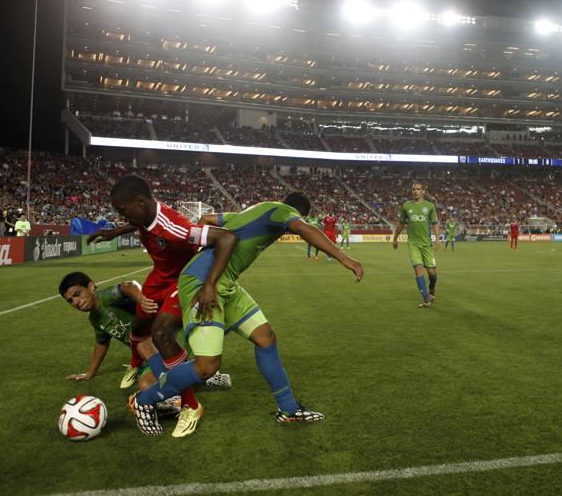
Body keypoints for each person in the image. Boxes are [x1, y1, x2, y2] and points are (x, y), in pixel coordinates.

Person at [128, 192, 364, 436]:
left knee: (265, 337)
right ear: (296, 212)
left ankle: (289, 409)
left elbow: (209, 219)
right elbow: (303, 228)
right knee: (206, 367)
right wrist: (345, 259)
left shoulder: (254, 212)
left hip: (225, 283)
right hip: (203, 284)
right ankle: (144, 400)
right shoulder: (281, 210)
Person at [87, 174, 238, 437]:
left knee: (161, 332)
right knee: (138, 327)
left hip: (183, 277)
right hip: (160, 275)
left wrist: (210, 284)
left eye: (123, 211)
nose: (123, 216)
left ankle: (191, 405)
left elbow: (226, 239)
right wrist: (114, 232)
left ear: (140, 202)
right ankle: (136, 363)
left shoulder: (175, 226)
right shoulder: (143, 215)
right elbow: (139, 225)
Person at [58, 271, 231, 394]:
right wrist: (90, 373)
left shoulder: (105, 297)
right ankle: (195, 375)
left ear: (90, 286)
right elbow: (101, 344)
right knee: (147, 385)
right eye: (70, 301)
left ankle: (200, 374)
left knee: (151, 385)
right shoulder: (94, 319)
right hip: (146, 355)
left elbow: (128, 286)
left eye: (77, 294)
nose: (76, 302)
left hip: (161, 344)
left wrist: (141, 297)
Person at [392, 181, 440, 308]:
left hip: (427, 244)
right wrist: (395, 238)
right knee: (418, 269)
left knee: (432, 273)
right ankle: (426, 300)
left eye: (418, 189)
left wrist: (437, 239)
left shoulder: (429, 206)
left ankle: (432, 291)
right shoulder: (406, 206)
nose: (415, 191)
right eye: (413, 189)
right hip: (413, 244)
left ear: (423, 191)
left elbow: (435, 223)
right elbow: (401, 223)